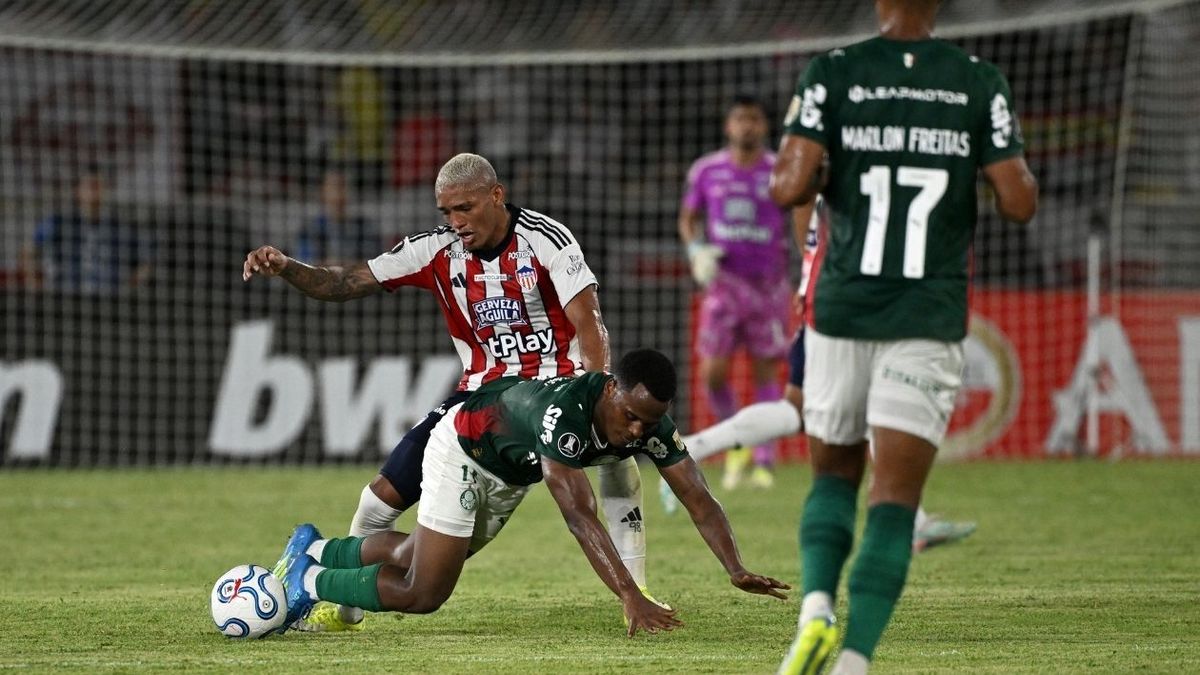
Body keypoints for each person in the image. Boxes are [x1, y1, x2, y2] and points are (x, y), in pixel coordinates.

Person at [243, 152, 653, 632]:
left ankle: (639, 589)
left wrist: (590, 392)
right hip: (476, 401)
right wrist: (287, 266)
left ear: (496, 196)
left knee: (617, 461)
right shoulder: (435, 251)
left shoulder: (547, 242)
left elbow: (590, 322)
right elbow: (343, 282)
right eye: (447, 212)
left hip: (550, 398)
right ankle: (339, 604)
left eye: (465, 208)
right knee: (378, 504)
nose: (456, 222)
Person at [770, 1, 1038, 673]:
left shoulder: (833, 72)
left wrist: (836, 164)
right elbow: (1019, 202)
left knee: (833, 475)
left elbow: (788, 185)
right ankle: (855, 660)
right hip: (927, 312)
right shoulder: (978, 81)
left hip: (842, 309)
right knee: (895, 497)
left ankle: (814, 614)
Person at [268, 349, 789, 637]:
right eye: (629, 416)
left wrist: (734, 567)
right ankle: (308, 585)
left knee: (415, 557)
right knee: (423, 593)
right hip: (465, 448)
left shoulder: (649, 423)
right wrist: (631, 594)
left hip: (508, 476)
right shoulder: (566, 416)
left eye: (646, 422)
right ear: (611, 388)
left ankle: (311, 549)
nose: (635, 432)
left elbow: (699, 497)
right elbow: (580, 516)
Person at [665, 197, 977, 554]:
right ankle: (910, 521)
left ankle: (692, 447)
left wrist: (809, 286)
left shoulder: (823, 182)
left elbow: (807, 225)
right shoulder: (842, 178)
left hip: (827, 305)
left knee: (798, 409)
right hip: (841, 312)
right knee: (855, 409)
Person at [679, 95, 805, 491]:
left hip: (768, 285)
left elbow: (801, 215)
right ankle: (736, 442)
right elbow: (688, 218)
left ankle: (764, 461)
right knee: (713, 373)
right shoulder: (707, 170)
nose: (747, 126)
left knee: (765, 369)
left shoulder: (779, 170)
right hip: (724, 285)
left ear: (764, 127)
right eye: (740, 120)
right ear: (728, 126)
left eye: (754, 119)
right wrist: (696, 248)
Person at [21, 168, 154, 292]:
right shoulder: (58, 222)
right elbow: (28, 252)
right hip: (65, 298)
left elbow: (146, 262)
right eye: (90, 186)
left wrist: (127, 289)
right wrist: (36, 285)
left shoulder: (121, 227)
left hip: (108, 300)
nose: (94, 192)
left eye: (98, 186)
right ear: (78, 191)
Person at [293, 169, 380, 265]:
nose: (339, 193)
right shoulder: (310, 230)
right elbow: (304, 264)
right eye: (334, 187)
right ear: (323, 192)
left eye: (343, 186)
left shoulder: (364, 227)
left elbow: (375, 265)